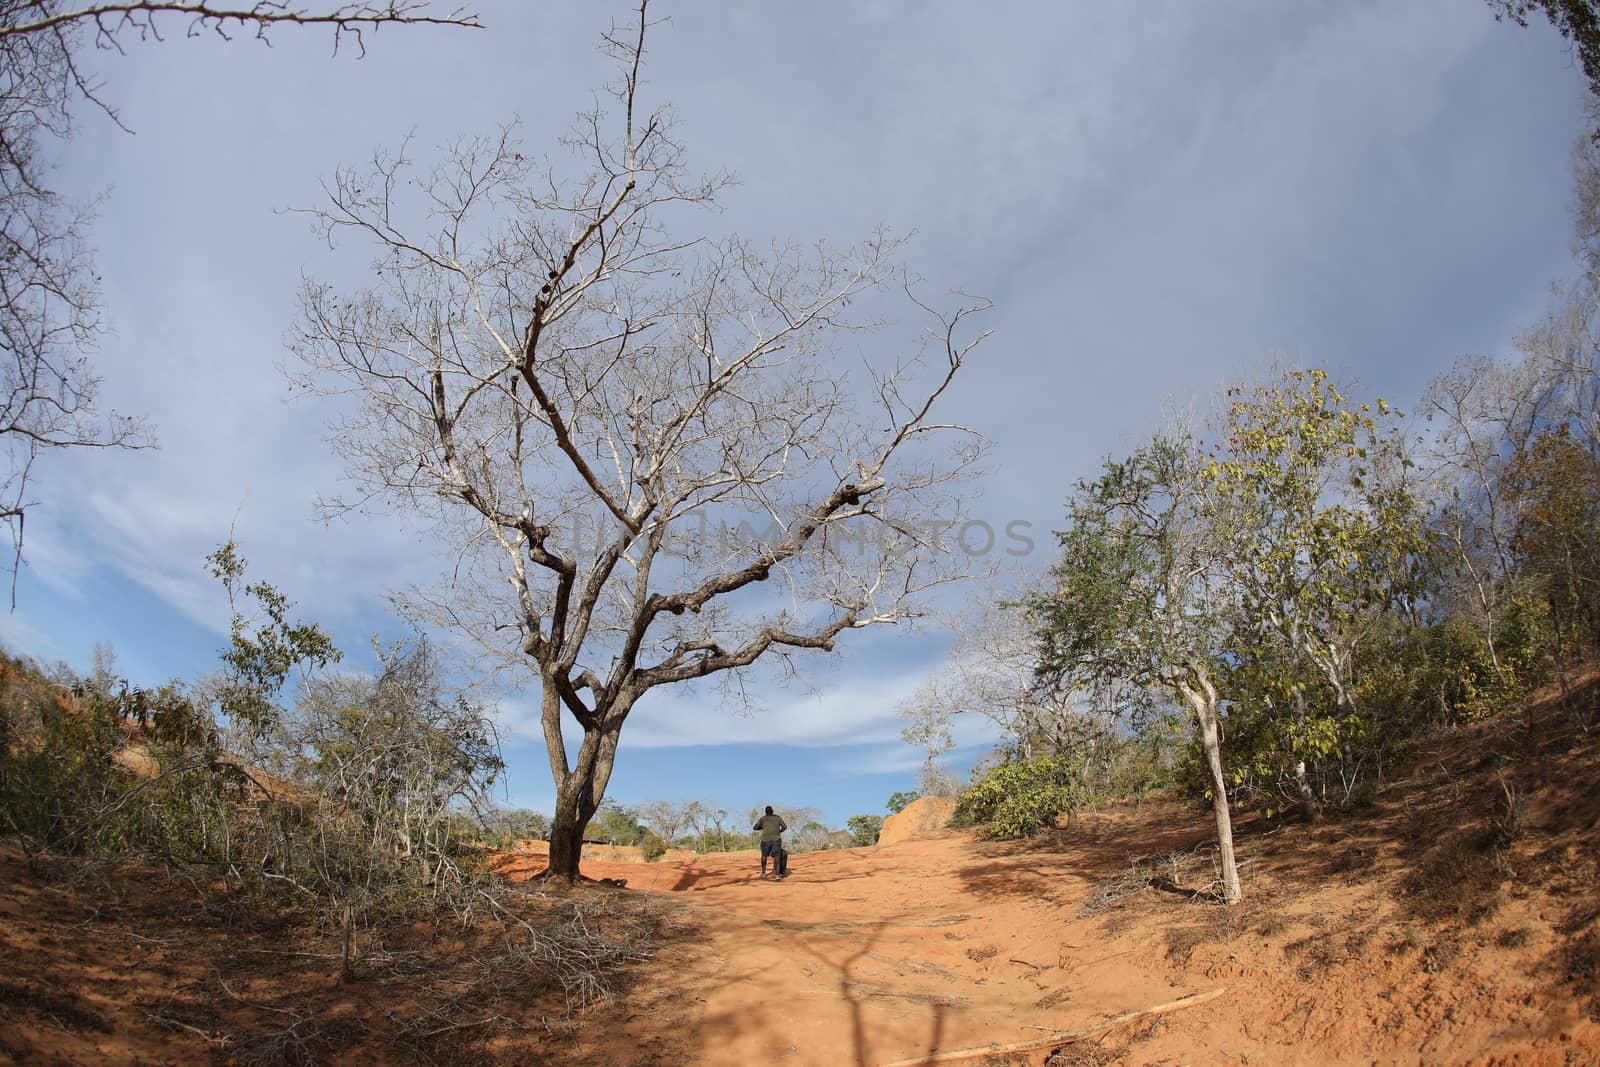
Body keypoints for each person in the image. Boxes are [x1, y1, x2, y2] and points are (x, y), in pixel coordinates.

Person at [753, 805, 788, 880]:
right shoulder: (777, 817)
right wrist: (778, 832)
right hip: (776, 839)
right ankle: (777, 875)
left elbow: (755, 827)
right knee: (777, 856)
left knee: (764, 856)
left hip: (765, 839)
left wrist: (762, 827)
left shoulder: (763, 818)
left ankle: (763, 872)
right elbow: (784, 827)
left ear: (765, 812)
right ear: (772, 811)